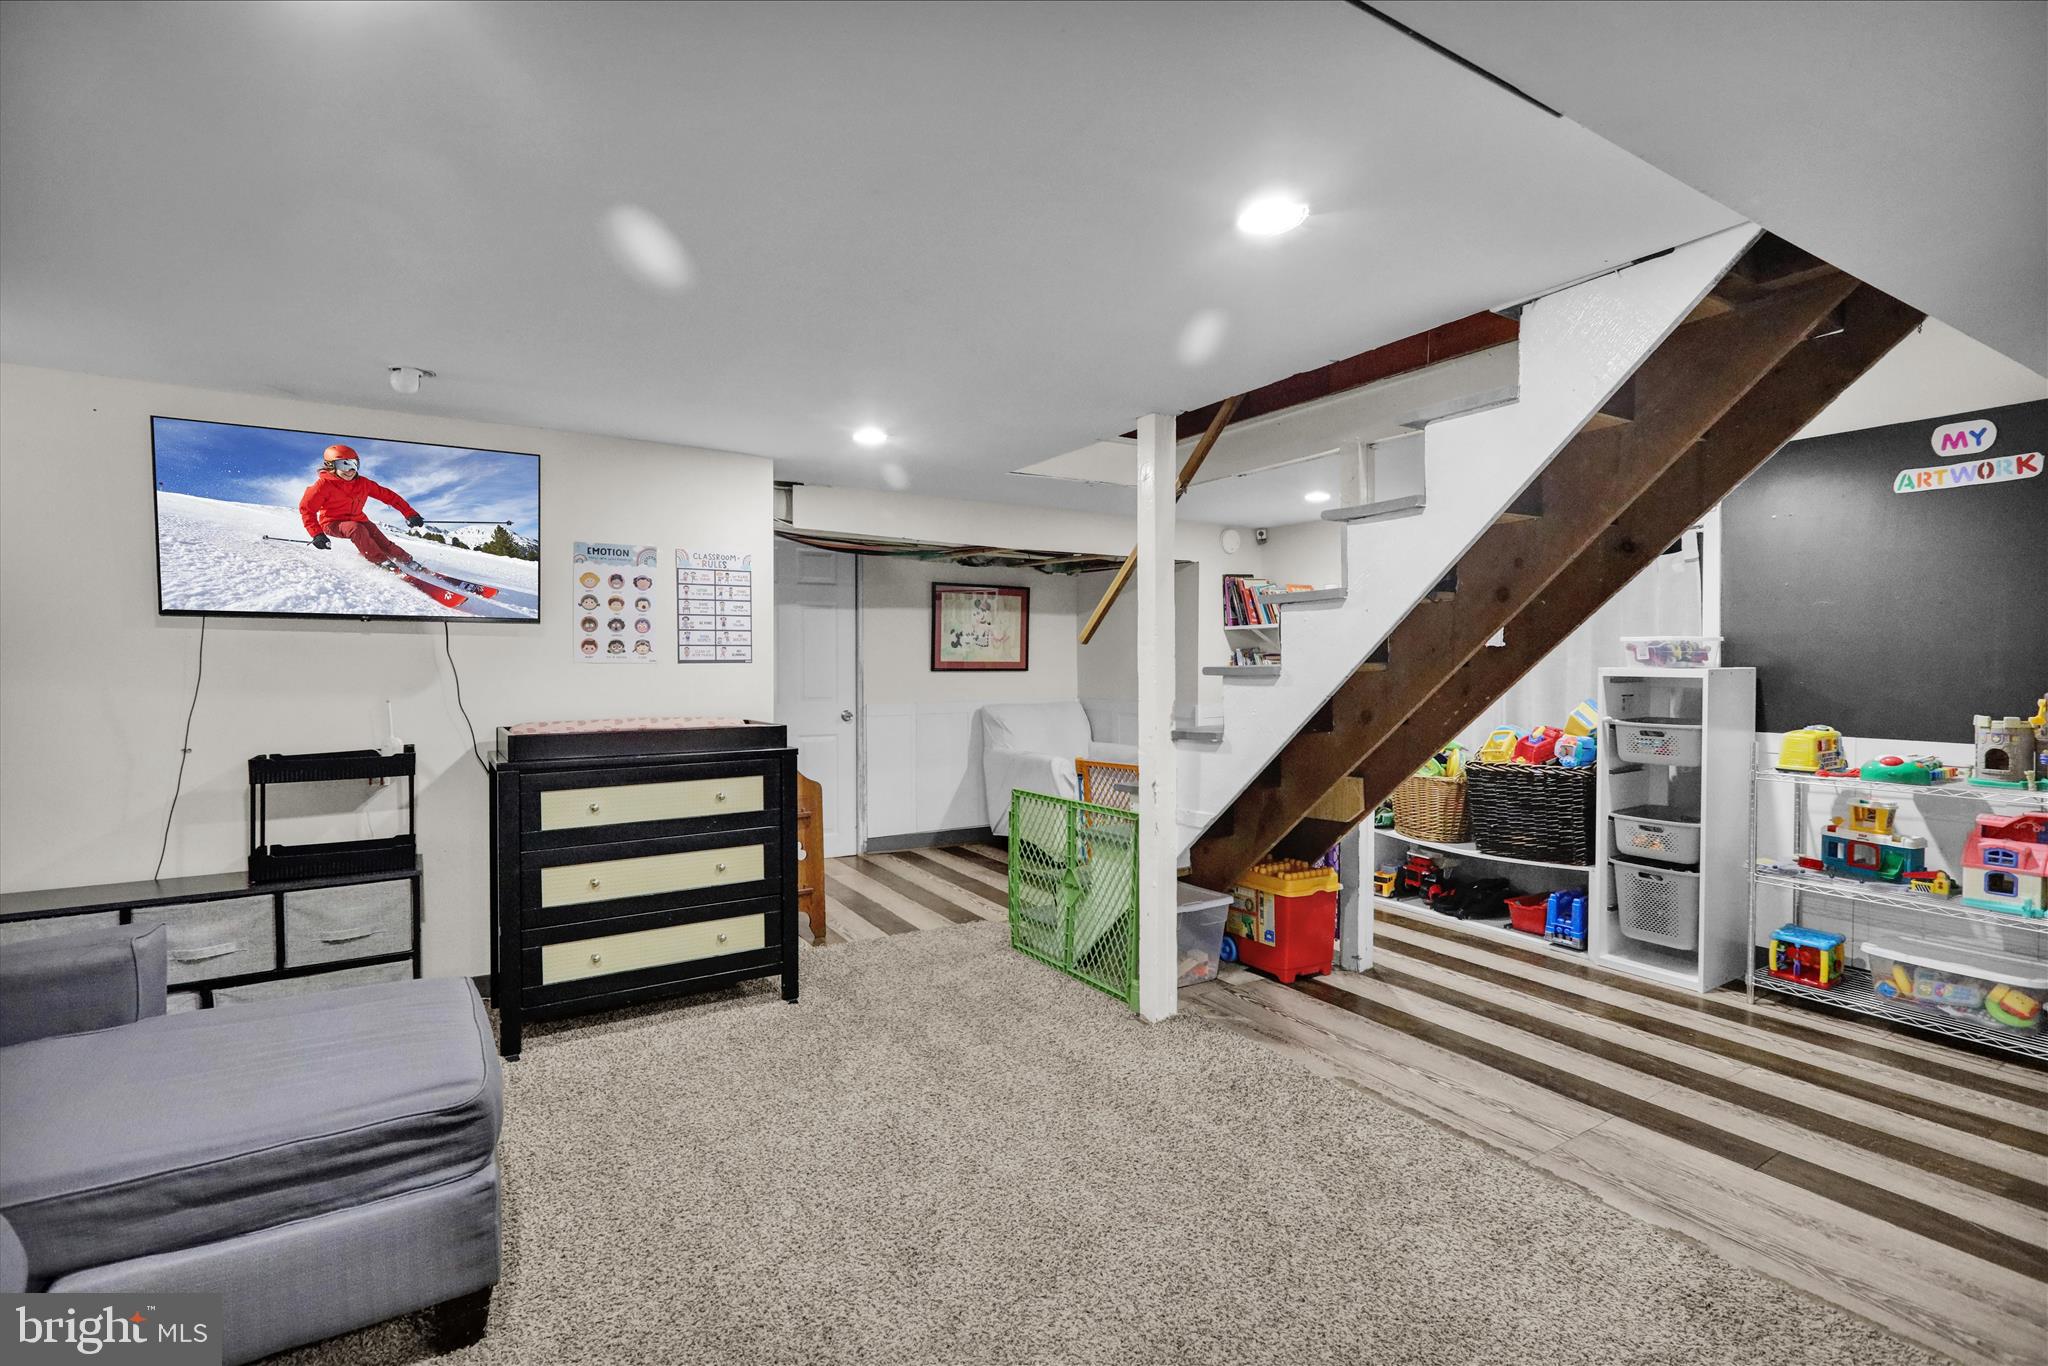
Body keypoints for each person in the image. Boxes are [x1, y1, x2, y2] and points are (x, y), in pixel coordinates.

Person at [298, 444, 426, 567]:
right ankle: (380, 560)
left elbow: (389, 496)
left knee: (379, 537)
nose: (350, 470)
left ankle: (407, 560)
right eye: (344, 465)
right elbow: (307, 510)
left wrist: (410, 514)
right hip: (332, 523)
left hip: (359, 519)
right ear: (330, 466)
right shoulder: (322, 485)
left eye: (354, 464)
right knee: (356, 529)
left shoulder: (363, 483)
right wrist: (317, 534)